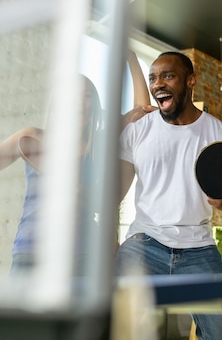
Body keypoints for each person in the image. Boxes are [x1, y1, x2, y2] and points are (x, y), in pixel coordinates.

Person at [116, 51, 222, 340]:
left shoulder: (219, 133)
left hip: (199, 246)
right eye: (153, 78)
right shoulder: (137, 130)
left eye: (168, 76)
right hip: (144, 242)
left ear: (191, 80)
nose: (158, 83)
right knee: (117, 322)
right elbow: (113, 196)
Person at [1, 52, 149, 273]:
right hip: (31, 253)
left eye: (87, 95)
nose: (80, 101)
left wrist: (132, 58)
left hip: (81, 255)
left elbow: (143, 114)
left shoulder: (98, 146)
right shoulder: (34, 138)